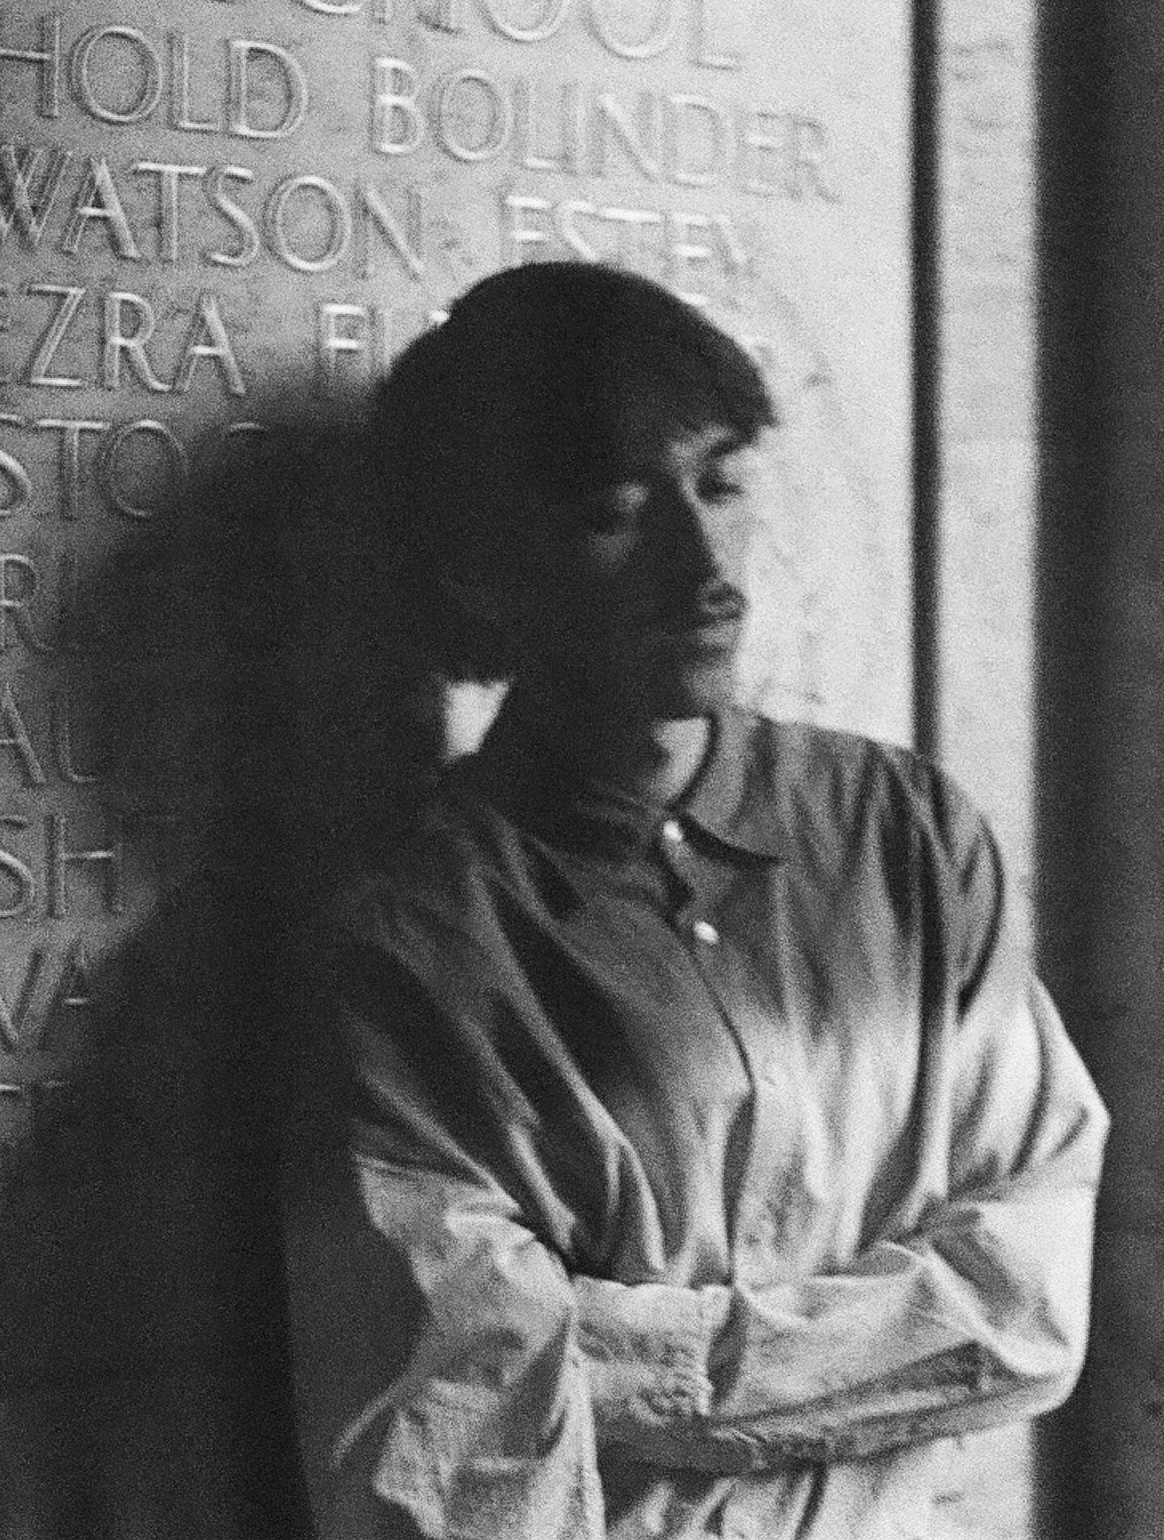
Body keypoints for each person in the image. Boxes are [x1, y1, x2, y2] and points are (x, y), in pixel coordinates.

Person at [281, 262, 1110, 1540]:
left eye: (722, 484)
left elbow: (1025, 1310)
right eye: (619, 509)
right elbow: (455, 1455)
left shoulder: (903, 835)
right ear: (482, 567)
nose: (704, 558)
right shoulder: (416, 947)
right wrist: (882, 1338)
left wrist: (601, 1351)